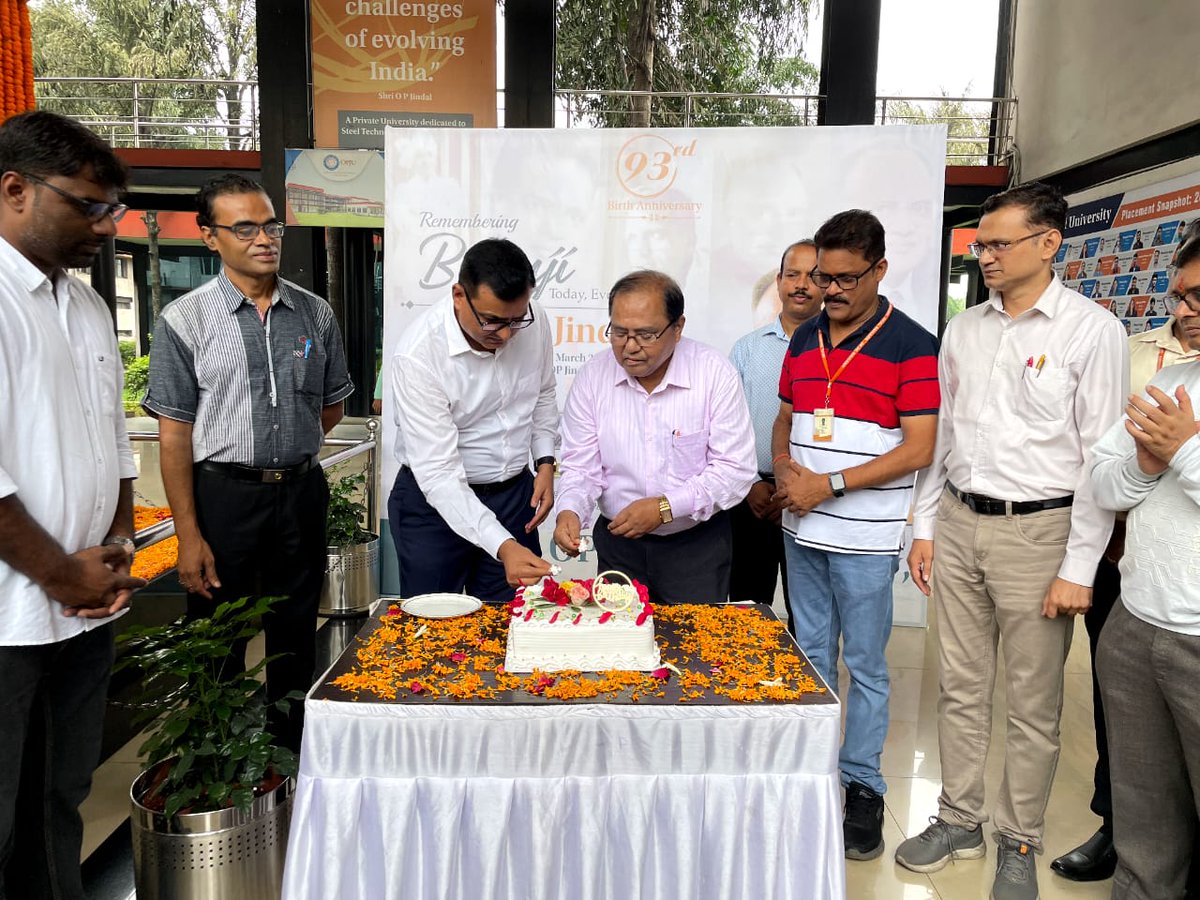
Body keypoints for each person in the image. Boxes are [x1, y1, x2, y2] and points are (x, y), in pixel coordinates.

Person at [895, 182, 1128, 900]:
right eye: (980, 244)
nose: (983, 255)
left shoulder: (1092, 332)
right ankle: (958, 816)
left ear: (1048, 243)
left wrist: (1079, 567)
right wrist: (927, 526)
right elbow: (945, 439)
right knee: (960, 687)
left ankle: (1018, 838)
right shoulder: (965, 328)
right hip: (962, 523)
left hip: (1042, 532)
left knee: (1033, 705)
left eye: (998, 243)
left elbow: (1100, 460)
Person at [144, 174, 354, 752]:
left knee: (294, 630)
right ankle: (220, 759)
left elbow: (331, 404)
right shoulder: (184, 320)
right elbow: (174, 434)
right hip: (223, 496)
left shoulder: (314, 315)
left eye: (270, 225)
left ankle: (289, 757)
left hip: (300, 491)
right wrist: (189, 534)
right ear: (211, 238)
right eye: (244, 228)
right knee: (220, 635)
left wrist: (287, 449)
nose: (264, 239)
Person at [0, 110, 146, 900]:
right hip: (11, 616)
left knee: (60, 799)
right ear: (15, 190)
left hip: (87, 608)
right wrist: (59, 572)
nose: (105, 224)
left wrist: (120, 543)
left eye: (112, 207)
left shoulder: (87, 304)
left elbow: (115, 443)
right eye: (87, 206)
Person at [770, 210, 940, 861]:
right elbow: (786, 419)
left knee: (865, 665)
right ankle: (811, 775)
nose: (828, 290)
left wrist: (830, 485)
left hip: (865, 539)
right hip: (800, 526)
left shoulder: (912, 344)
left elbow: (920, 447)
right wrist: (786, 468)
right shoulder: (804, 336)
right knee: (808, 653)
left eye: (843, 278)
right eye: (821, 276)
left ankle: (862, 787)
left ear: (879, 271)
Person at [1051, 238, 1200, 885]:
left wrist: (1184, 452)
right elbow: (1104, 482)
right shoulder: (1173, 379)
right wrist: (1146, 461)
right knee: (1143, 824)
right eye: (1180, 295)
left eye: (1198, 296)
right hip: (1137, 624)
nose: (1184, 310)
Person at [553, 270, 755, 602]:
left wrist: (665, 507)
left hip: (695, 547)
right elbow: (580, 466)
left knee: (695, 649)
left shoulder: (714, 374)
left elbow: (734, 471)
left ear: (678, 328)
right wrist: (570, 511)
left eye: (646, 334)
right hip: (619, 547)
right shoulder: (594, 377)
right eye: (619, 332)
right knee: (621, 647)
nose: (630, 347)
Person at [387, 238, 555, 602]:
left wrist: (544, 462)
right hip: (433, 508)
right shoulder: (419, 356)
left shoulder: (534, 320)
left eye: (516, 320)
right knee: (432, 637)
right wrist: (502, 545)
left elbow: (543, 392)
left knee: (516, 627)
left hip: (514, 497)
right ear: (459, 296)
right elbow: (440, 475)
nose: (508, 334)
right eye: (493, 321)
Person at [728, 240, 822, 615]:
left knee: (810, 613)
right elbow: (725, 427)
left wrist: (802, 488)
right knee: (748, 612)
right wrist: (749, 482)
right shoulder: (747, 349)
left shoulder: (836, 350)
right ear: (780, 280)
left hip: (813, 498)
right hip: (751, 499)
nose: (801, 284)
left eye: (813, 276)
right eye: (792, 274)